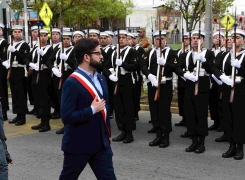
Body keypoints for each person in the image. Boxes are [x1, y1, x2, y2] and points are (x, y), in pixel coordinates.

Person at [59, 38, 116, 179]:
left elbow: (105, 109)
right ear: (86, 57)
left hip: (101, 145)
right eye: (98, 53)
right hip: (79, 145)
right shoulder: (72, 82)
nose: (101, 56)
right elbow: (66, 117)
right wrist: (91, 110)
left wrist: (107, 134)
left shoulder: (101, 79)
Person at [175, 30, 215, 154]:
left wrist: (204, 61)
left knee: (201, 115)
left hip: (202, 88)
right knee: (190, 115)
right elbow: (178, 68)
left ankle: (201, 142)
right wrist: (185, 74)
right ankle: (193, 140)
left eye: (198, 38)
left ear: (202, 41)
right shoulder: (186, 54)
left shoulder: (208, 53)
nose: (195, 40)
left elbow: (213, 69)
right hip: (189, 87)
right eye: (193, 38)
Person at [140, 30, 177, 148]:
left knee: (164, 111)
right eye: (156, 39)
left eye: (161, 39)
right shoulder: (150, 52)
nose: (159, 41)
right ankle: (158, 135)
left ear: (165, 40)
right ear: (153, 40)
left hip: (165, 84)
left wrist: (165, 63)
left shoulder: (171, 52)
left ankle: (165, 136)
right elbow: (143, 65)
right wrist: (149, 75)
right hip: (153, 84)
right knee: (154, 110)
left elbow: (176, 67)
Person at [212, 29, 245, 160]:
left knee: (239, 119)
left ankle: (240, 147)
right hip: (226, 89)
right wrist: (221, 76)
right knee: (228, 118)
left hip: (241, 91)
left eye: (237, 37)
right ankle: (231, 145)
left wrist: (240, 68)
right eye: (232, 37)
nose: (233, 39)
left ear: (243, 40)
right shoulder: (225, 55)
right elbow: (214, 68)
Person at [103, 30, 138, 144]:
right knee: (118, 107)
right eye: (119, 37)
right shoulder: (114, 52)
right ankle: (122, 130)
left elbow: (134, 66)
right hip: (116, 80)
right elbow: (106, 66)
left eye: (124, 37)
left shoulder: (132, 51)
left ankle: (129, 133)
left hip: (127, 80)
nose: (121, 39)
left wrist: (122, 64)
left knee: (128, 106)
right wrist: (111, 75)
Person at [24, 29, 53, 132]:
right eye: (41, 35)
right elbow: (26, 58)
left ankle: (46, 123)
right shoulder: (35, 47)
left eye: (45, 35)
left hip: (44, 74)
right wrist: (31, 64)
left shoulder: (50, 49)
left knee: (45, 99)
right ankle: (41, 120)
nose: (43, 37)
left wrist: (43, 55)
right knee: (38, 98)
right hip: (35, 73)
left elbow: (49, 62)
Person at [2, 25, 30, 126]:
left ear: (21, 33)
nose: (17, 33)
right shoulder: (10, 44)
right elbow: (6, 56)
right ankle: (17, 114)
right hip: (12, 70)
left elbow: (25, 58)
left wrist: (16, 52)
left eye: (19, 32)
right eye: (15, 32)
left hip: (20, 70)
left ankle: (22, 117)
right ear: (12, 34)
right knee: (15, 94)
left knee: (21, 94)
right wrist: (5, 62)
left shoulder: (24, 45)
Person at [208, 31, 226, 131]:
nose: (218, 39)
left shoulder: (224, 52)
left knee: (220, 102)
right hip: (211, 80)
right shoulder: (210, 51)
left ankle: (222, 123)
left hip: (220, 80)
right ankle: (215, 121)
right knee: (212, 102)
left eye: (220, 37)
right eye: (215, 37)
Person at [0, 23, 9, 121]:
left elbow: (3, 55)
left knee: (2, 91)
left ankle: (4, 112)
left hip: (1, 70)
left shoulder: (4, 43)